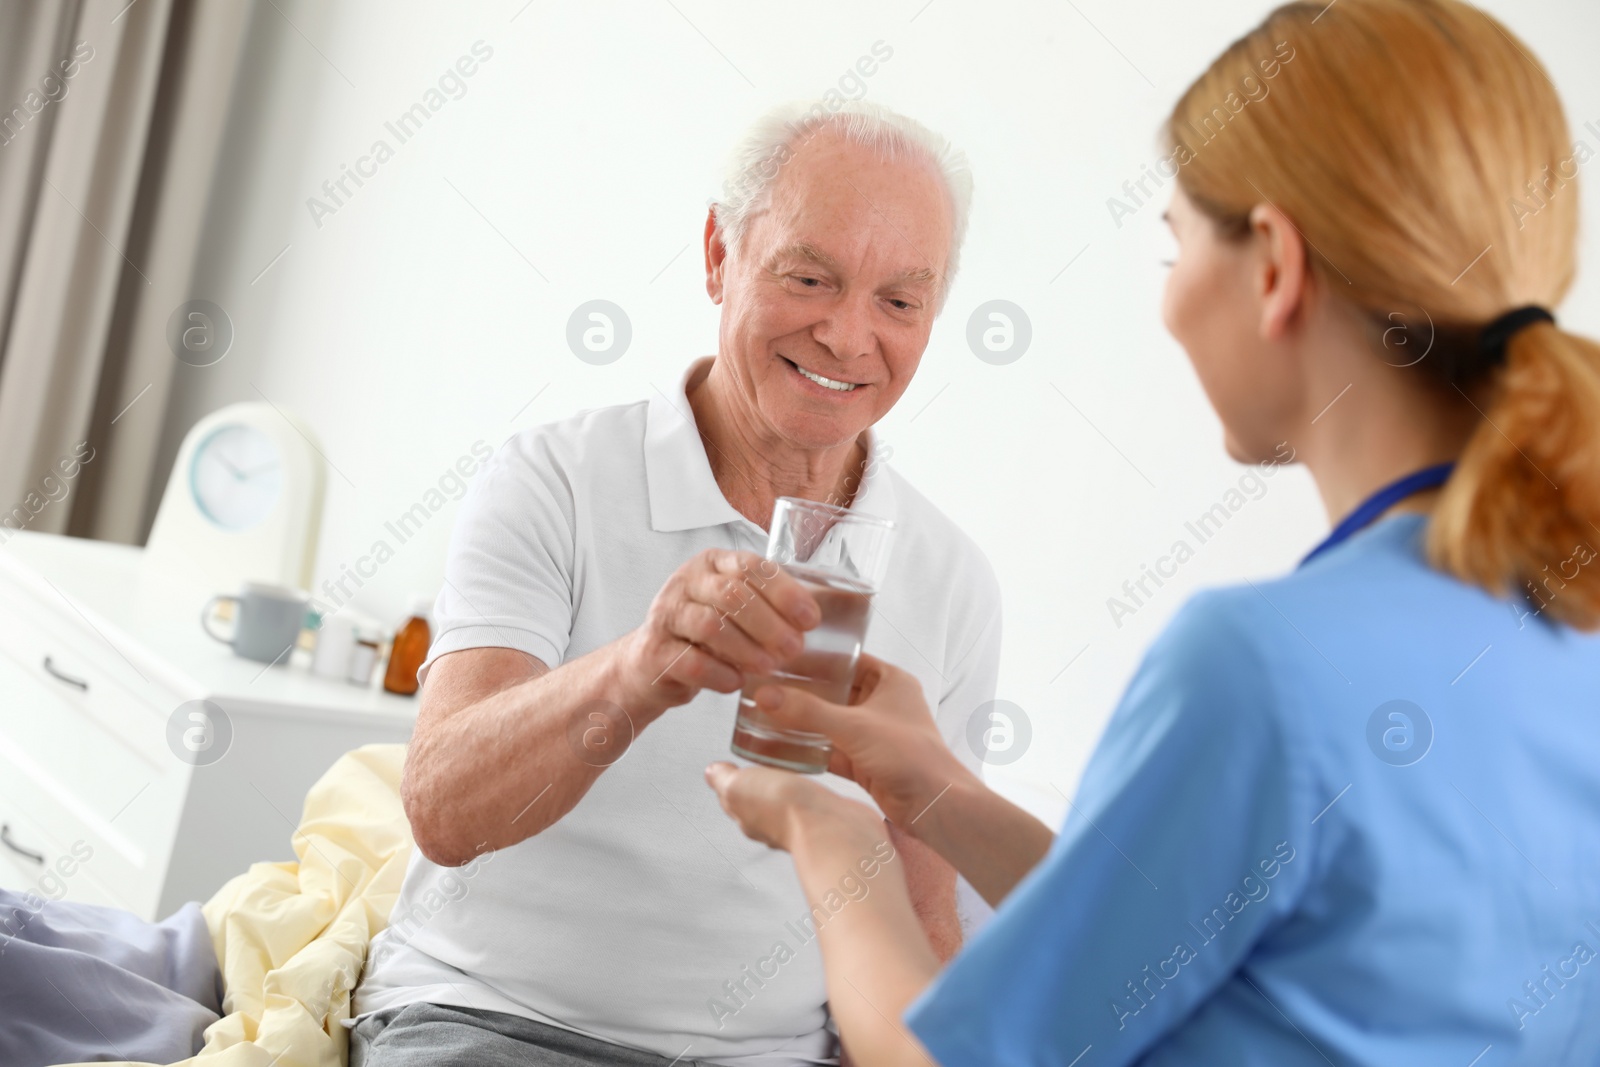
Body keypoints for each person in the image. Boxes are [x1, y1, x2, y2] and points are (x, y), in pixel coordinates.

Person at [706, 1, 1600, 1063]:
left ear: (1271, 262)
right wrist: (937, 789)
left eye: (1175, 241)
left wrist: (831, 833)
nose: (1169, 300)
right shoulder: (1557, 616)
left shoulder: (1259, 664)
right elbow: (1194, 924)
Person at [349, 100, 1005, 1066]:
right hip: (492, 1021)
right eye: (810, 277)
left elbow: (924, 909)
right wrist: (641, 668)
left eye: (900, 302)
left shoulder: (948, 577)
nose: (848, 336)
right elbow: (443, 809)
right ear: (717, 254)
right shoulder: (556, 480)